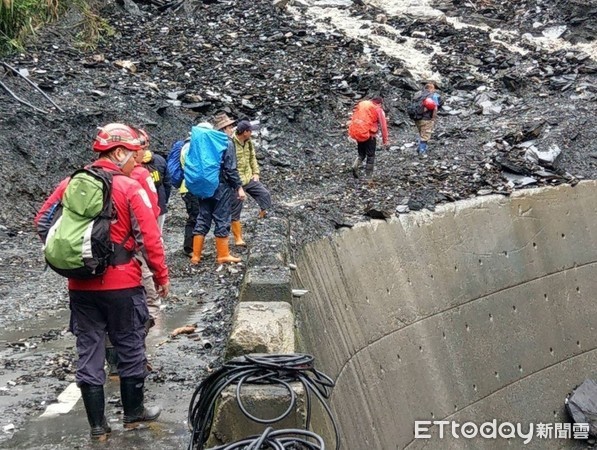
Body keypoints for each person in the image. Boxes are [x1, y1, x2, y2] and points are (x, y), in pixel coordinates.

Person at [35, 123, 170, 440]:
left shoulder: (70, 182)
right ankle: (134, 415)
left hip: (80, 286)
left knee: (89, 349)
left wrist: (73, 258)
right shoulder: (129, 187)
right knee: (129, 344)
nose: (138, 161)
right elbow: (151, 239)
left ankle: (98, 426)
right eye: (135, 154)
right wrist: (161, 277)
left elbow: (42, 220)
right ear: (119, 151)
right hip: (123, 285)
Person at [189, 118, 246, 265]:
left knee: (203, 217)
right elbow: (230, 168)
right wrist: (238, 187)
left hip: (204, 185)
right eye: (230, 126)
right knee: (222, 218)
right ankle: (223, 255)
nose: (232, 129)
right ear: (223, 129)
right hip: (221, 186)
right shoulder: (225, 142)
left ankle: (196, 256)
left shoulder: (200, 144)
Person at [228, 119, 272, 246]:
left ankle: (262, 217)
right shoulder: (230, 143)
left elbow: (252, 157)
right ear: (245, 132)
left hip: (249, 178)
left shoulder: (248, 142)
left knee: (265, 195)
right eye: (250, 130)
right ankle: (238, 239)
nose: (252, 133)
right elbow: (229, 165)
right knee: (235, 210)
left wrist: (256, 173)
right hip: (236, 181)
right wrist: (236, 184)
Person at [139, 129, 172, 233]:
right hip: (159, 204)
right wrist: (164, 201)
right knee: (157, 235)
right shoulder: (160, 160)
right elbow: (167, 184)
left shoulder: (129, 165)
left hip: (138, 209)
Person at [349, 97, 389, 179]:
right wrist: (385, 140)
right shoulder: (378, 109)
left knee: (361, 154)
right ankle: (368, 177)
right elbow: (383, 126)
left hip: (359, 132)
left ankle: (355, 165)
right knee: (370, 156)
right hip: (370, 136)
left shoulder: (363, 105)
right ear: (380, 103)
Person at [413, 81, 443, 156]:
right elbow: (435, 108)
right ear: (431, 89)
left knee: (422, 133)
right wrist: (433, 118)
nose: (435, 90)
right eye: (434, 88)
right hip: (427, 118)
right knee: (426, 134)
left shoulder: (418, 95)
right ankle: (422, 151)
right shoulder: (433, 96)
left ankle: (420, 147)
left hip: (417, 118)